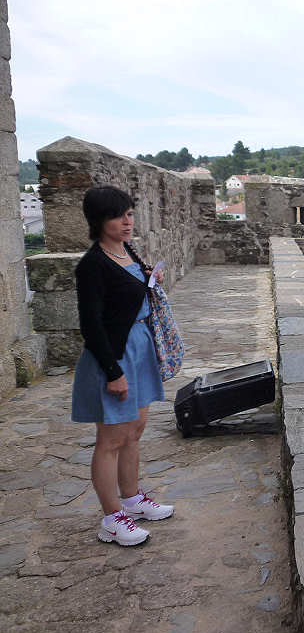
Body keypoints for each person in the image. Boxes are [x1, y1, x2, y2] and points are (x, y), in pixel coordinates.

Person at [71, 185, 174, 546]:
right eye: (118, 216)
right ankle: (112, 519)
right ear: (99, 220)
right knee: (112, 439)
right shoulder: (92, 265)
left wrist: (150, 280)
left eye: (129, 214)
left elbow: (129, 291)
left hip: (140, 349)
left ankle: (132, 499)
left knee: (135, 431)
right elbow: (91, 325)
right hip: (115, 355)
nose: (127, 221)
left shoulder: (125, 250)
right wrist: (113, 372)